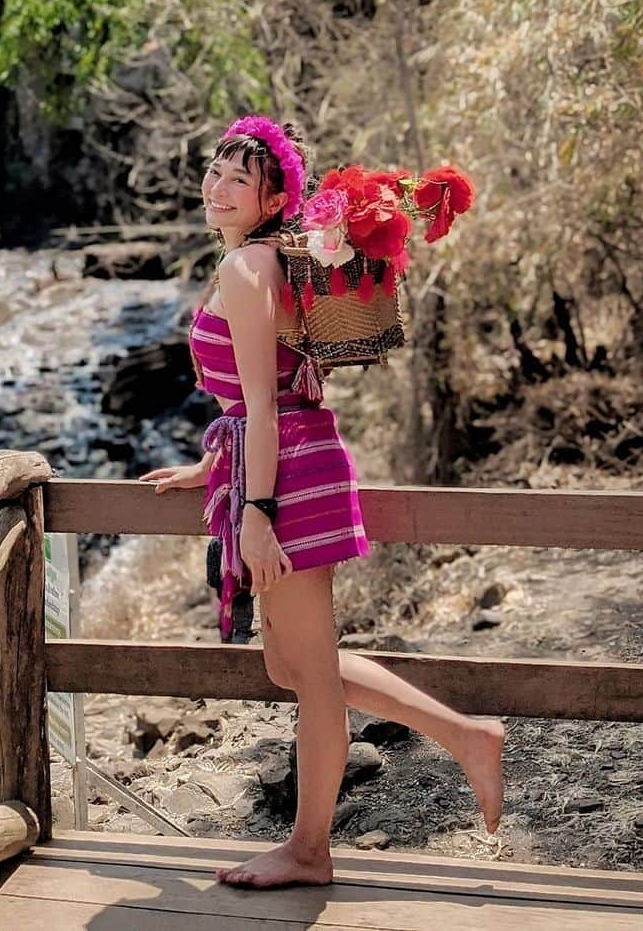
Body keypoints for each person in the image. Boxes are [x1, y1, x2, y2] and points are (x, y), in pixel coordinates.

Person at [139, 114, 504, 890]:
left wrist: (256, 511)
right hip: (289, 463)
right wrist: (215, 473)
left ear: (276, 199)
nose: (219, 186)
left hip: (289, 477)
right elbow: (263, 399)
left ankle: (310, 850)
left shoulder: (246, 271)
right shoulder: (267, 261)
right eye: (214, 171)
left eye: (241, 178)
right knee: (293, 664)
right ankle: (464, 734)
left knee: (307, 671)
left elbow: (268, 409)